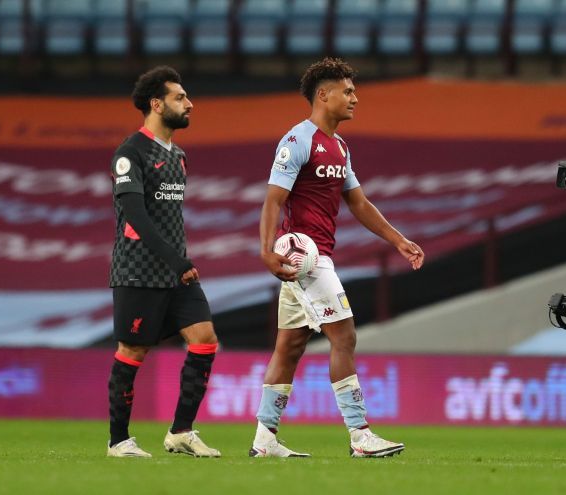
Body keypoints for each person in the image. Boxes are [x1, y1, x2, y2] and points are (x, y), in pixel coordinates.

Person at [250, 58, 424, 458]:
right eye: (347, 92)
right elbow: (273, 200)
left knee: (289, 347)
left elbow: (358, 202)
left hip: (312, 259)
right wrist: (265, 250)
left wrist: (398, 240)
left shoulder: (340, 146)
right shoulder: (297, 141)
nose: (355, 99)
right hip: (306, 257)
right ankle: (360, 435)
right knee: (344, 336)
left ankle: (264, 441)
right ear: (323, 95)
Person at [106, 66, 220, 458]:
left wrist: (177, 263)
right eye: (180, 98)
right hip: (138, 271)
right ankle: (118, 441)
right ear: (157, 104)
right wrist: (177, 259)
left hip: (176, 273)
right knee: (133, 351)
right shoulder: (130, 152)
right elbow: (136, 216)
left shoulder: (179, 157)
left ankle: (181, 432)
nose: (190, 104)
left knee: (204, 340)